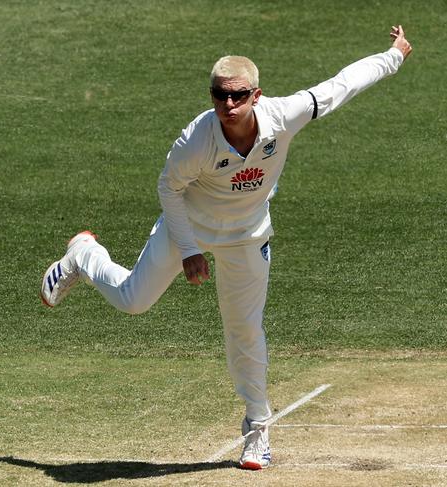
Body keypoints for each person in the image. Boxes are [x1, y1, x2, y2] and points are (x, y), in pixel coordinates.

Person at [40, 25, 412, 470]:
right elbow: (168, 189)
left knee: (245, 330)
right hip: (188, 228)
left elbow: (341, 86)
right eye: (219, 96)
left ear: (257, 95)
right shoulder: (195, 140)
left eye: (237, 96)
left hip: (247, 236)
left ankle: (257, 431)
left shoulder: (284, 114)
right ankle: (83, 254)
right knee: (133, 301)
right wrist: (190, 247)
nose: (227, 105)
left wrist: (394, 55)